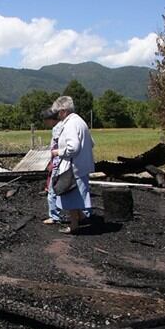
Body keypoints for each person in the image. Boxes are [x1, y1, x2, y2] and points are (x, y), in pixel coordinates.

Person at [50, 96, 94, 234]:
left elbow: (73, 147)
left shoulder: (70, 124)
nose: (57, 115)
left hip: (73, 167)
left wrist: (58, 152)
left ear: (63, 110)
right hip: (82, 165)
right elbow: (92, 143)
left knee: (72, 196)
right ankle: (81, 217)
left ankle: (74, 226)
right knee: (77, 196)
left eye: (57, 112)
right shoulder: (79, 121)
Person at [41, 108, 65, 225]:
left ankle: (54, 216)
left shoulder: (57, 129)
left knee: (52, 190)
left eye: (46, 120)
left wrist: (52, 162)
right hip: (61, 162)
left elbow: (56, 147)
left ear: (50, 120)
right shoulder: (63, 125)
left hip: (57, 162)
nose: (45, 123)